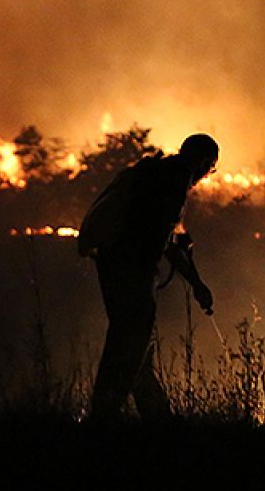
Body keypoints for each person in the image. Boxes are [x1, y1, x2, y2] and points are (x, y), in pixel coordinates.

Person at [78, 133, 218, 421]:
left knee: (132, 345)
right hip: (133, 271)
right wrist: (196, 283)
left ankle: (155, 416)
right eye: (210, 168)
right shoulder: (175, 181)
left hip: (112, 264)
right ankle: (103, 415)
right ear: (204, 162)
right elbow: (161, 241)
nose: (206, 175)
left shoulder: (154, 170)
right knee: (130, 344)